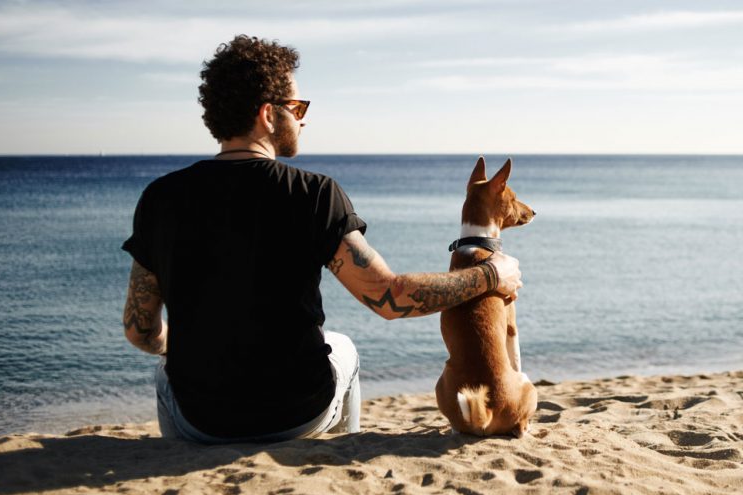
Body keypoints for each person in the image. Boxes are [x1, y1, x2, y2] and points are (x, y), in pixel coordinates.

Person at [121, 35, 522, 444]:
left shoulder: (160, 198)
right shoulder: (313, 194)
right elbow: (391, 296)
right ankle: (344, 444)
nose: (304, 119)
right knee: (343, 347)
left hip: (199, 422)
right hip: (296, 413)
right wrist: (490, 276)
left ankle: (179, 449)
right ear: (267, 114)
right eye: (298, 108)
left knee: (167, 368)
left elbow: (140, 332)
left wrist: (185, 347)